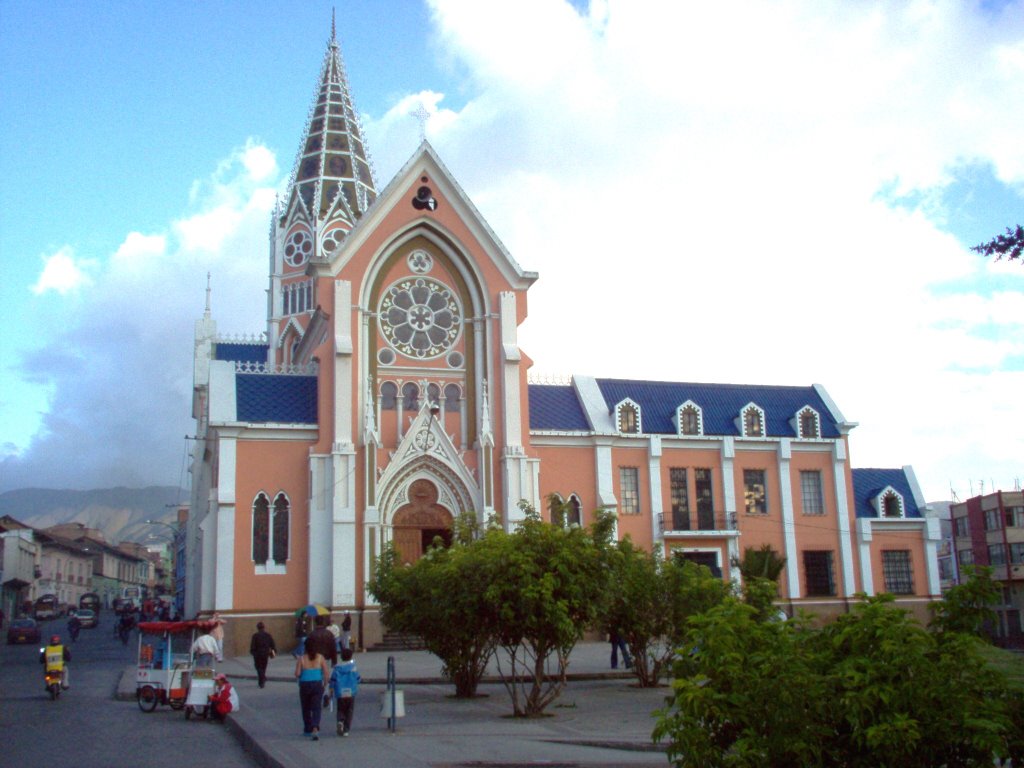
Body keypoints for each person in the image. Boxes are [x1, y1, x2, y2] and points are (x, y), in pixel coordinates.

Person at [295, 639, 330, 740]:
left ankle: (307, 729)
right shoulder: (320, 657)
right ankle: (315, 727)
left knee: (306, 707)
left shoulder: (302, 658)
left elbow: (297, 673)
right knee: (316, 707)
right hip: (317, 684)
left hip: (305, 684)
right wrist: (325, 684)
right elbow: (326, 673)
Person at [328, 647, 361, 737]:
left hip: (340, 692)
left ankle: (340, 721)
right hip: (351, 692)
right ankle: (346, 729)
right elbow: (358, 679)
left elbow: (332, 680)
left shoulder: (337, 668)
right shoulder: (353, 668)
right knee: (349, 711)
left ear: (341, 657)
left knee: (341, 709)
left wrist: (331, 689)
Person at [250, 621, 277, 688]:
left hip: (258, 654)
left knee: (258, 667)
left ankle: (261, 681)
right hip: (265, 654)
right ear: (264, 627)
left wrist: (253, 653)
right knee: (264, 667)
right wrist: (274, 652)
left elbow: (253, 646)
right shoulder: (268, 635)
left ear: (257, 628)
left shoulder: (255, 636)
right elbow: (272, 645)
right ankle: (262, 679)